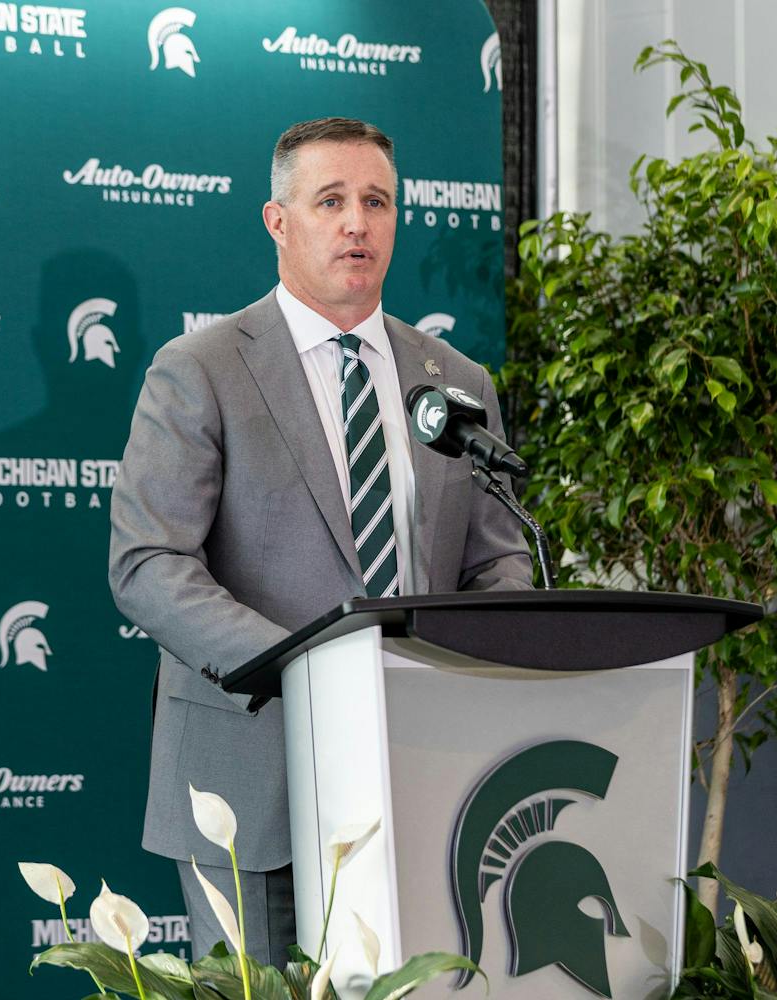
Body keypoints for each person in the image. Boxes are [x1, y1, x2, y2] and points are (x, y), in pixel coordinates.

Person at [108, 117, 533, 968]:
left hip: (424, 766)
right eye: (330, 201)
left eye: (376, 202)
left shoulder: (456, 381)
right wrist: (306, 668)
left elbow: (496, 557)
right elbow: (148, 562)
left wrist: (477, 660)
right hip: (251, 774)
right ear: (278, 221)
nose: (356, 224)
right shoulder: (201, 369)